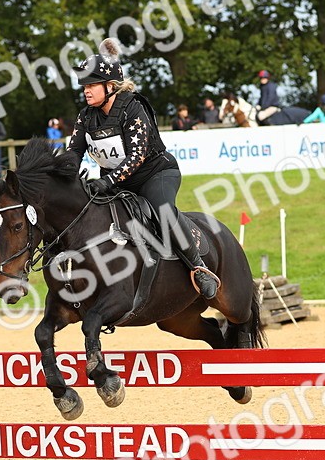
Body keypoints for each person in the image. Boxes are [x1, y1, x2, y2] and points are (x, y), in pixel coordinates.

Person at [69, 39, 220, 299]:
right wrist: (63, 175)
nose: (86, 91)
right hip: (116, 182)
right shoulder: (85, 116)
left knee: (163, 211)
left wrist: (106, 182)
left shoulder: (133, 108)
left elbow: (136, 157)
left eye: (91, 85)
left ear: (110, 86)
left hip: (154, 174)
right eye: (84, 86)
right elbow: (74, 153)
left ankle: (199, 267)